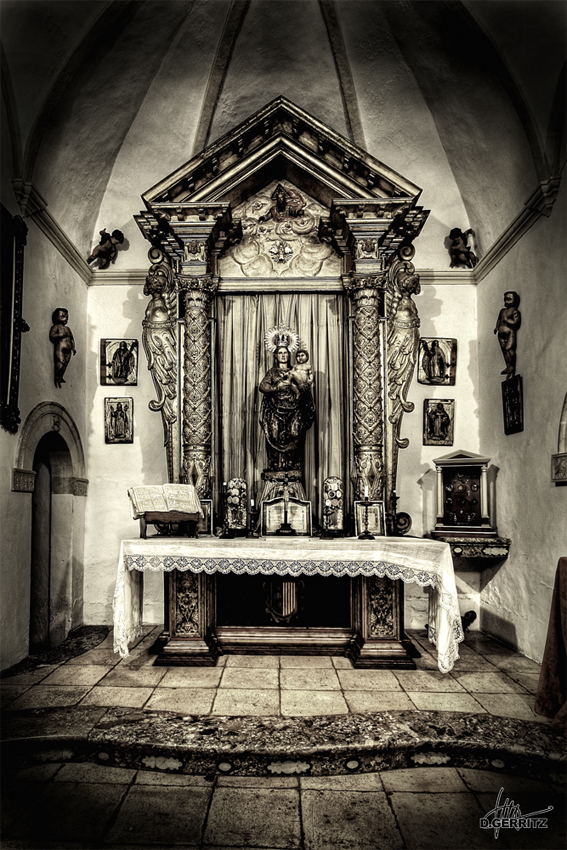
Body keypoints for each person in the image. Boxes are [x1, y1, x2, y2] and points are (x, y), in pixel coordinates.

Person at [259, 345, 315, 471]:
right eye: (280, 353)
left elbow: (304, 385)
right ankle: (275, 465)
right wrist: (277, 388)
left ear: (289, 356)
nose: (283, 355)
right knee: (275, 435)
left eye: (285, 353)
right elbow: (263, 386)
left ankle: (292, 465)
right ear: (276, 356)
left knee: (294, 434)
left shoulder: (295, 370)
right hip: (276, 410)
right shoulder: (272, 372)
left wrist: (304, 388)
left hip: (294, 409)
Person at [494, 291, 521, 376]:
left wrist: (507, 320)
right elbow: (499, 320)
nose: (507, 302)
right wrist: (497, 327)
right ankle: (508, 366)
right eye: (505, 299)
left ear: (514, 300)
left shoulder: (514, 311)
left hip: (510, 332)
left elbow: (516, 322)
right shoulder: (502, 311)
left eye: (509, 299)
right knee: (504, 350)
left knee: (509, 348)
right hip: (500, 335)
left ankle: (512, 366)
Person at [49, 308, 76, 388]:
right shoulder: (56, 327)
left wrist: (73, 348)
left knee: (65, 364)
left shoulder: (68, 329)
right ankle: (57, 377)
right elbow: (52, 336)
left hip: (69, 350)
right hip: (60, 348)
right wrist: (61, 335)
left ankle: (60, 377)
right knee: (61, 362)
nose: (66, 319)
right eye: (63, 316)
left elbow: (72, 339)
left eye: (67, 317)